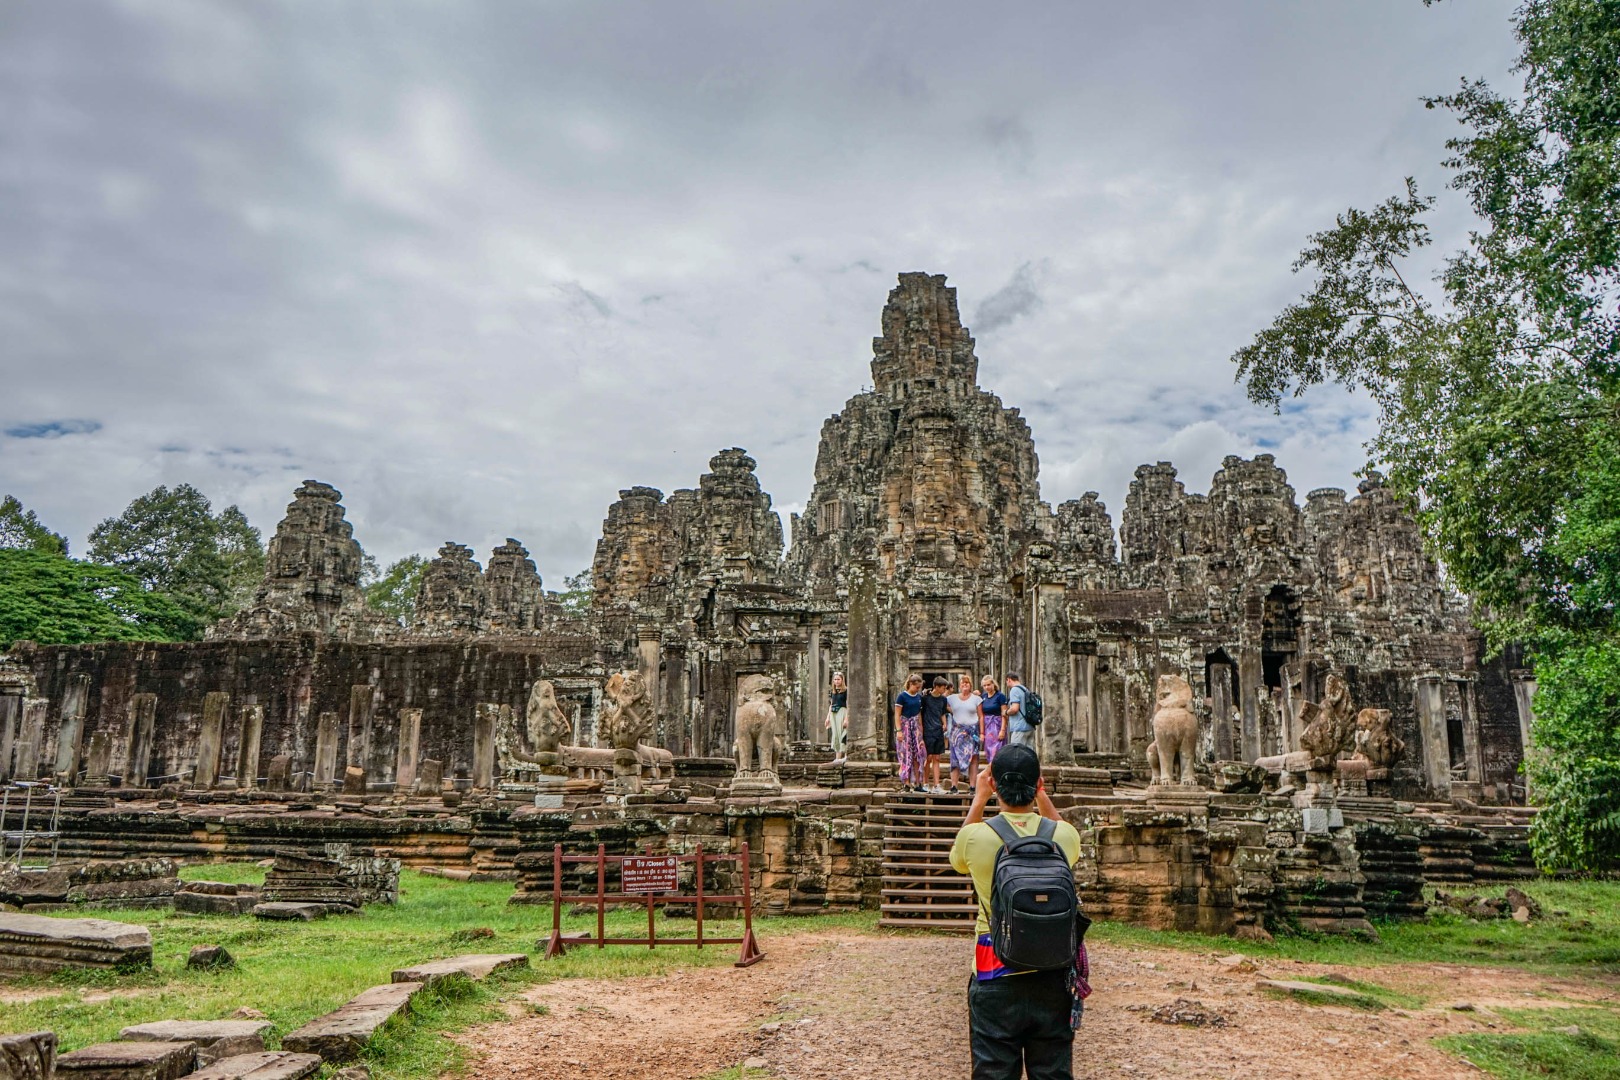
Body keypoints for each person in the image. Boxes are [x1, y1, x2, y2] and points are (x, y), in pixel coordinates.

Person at [950, 745, 1082, 1079]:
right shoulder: (1063, 837)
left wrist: (979, 798)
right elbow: (1063, 830)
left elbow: (957, 858)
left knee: (993, 1070)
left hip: (994, 968)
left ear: (993, 783)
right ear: (1038, 782)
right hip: (1053, 970)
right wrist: (1043, 797)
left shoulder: (976, 838)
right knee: (1053, 1071)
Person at [947, 673, 985, 793]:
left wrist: (982, 733)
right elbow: (943, 704)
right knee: (955, 758)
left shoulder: (976, 699)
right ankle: (954, 786)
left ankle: (972, 786)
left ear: (971, 685)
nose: (965, 685)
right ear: (959, 685)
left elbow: (981, 716)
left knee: (973, 758)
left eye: (967, 683)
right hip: (957, 732)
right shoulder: (952, 698)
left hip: (972, 731)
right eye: (963, 683)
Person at [893, 674, 927, 791]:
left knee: (918, 755)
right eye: (917, 687)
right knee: (905, 755)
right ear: (911, 684)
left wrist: (921, 732)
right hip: (904, 726)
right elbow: (897, 714)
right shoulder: (902, 697)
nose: (918, 690)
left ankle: (918, 783)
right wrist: (899, 731)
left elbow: (919, 715)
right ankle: (906, 783)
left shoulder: (918, 697)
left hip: (915, 728)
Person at [920, 676, 952, 793]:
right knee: (927, 758)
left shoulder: (943, 700)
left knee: (937, 758)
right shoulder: (925, 698)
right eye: (943, 687)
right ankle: (925, 783)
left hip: (938, 730)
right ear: (936, 687)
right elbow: (920, 714)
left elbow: (943, 712)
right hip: (928, 730)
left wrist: (944, 724)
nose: (944, 690)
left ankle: (937, 785)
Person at [979, 675, 1008, 763]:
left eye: (988, 685)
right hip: (988, 727)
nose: (987, 687)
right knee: (989, 751)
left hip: (998, 725)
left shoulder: (1000, 696)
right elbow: (981, 714)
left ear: (993, 684)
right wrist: (982, 732)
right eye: (984, 685)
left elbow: (1004, 714)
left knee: (998, 751)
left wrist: (1002, 730)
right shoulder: (983, 697)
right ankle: (991, 773)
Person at [1004, 673, 1034, 749]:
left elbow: (1014, 709)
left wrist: (1006, 712)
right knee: (1028, 754)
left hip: (1019, 727)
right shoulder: (1025, 689)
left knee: (1016, 753)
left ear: (1009, 679)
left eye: (1006, 682)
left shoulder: (1014, 690)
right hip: (1029, 726)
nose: (1007, 684)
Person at [825, 671, 848, 764]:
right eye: (835, 679)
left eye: (838, 679)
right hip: (833, 714)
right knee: (836, 735)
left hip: (842, 712)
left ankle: (846, 756)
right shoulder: (833, 692)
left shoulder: (846, 691)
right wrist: (827, 717)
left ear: (842, 680)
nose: (837, 681)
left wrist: (847, 719)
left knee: (844, 734)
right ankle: (837, 758)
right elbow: (831, 705)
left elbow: (848, 705)